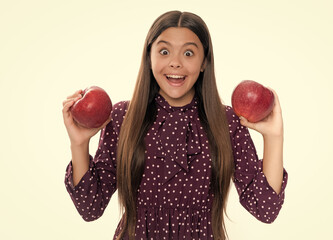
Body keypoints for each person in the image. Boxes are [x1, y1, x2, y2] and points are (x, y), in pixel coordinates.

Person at [62, 10, 288, 240]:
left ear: (204, 62)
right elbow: (90, 209)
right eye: (164, 51)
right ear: (149, 57)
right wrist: (79, 144)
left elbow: (265, 209)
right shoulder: (122, 117)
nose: (175, 63)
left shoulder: (227, 122)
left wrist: (274, 137)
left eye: (188, 53)